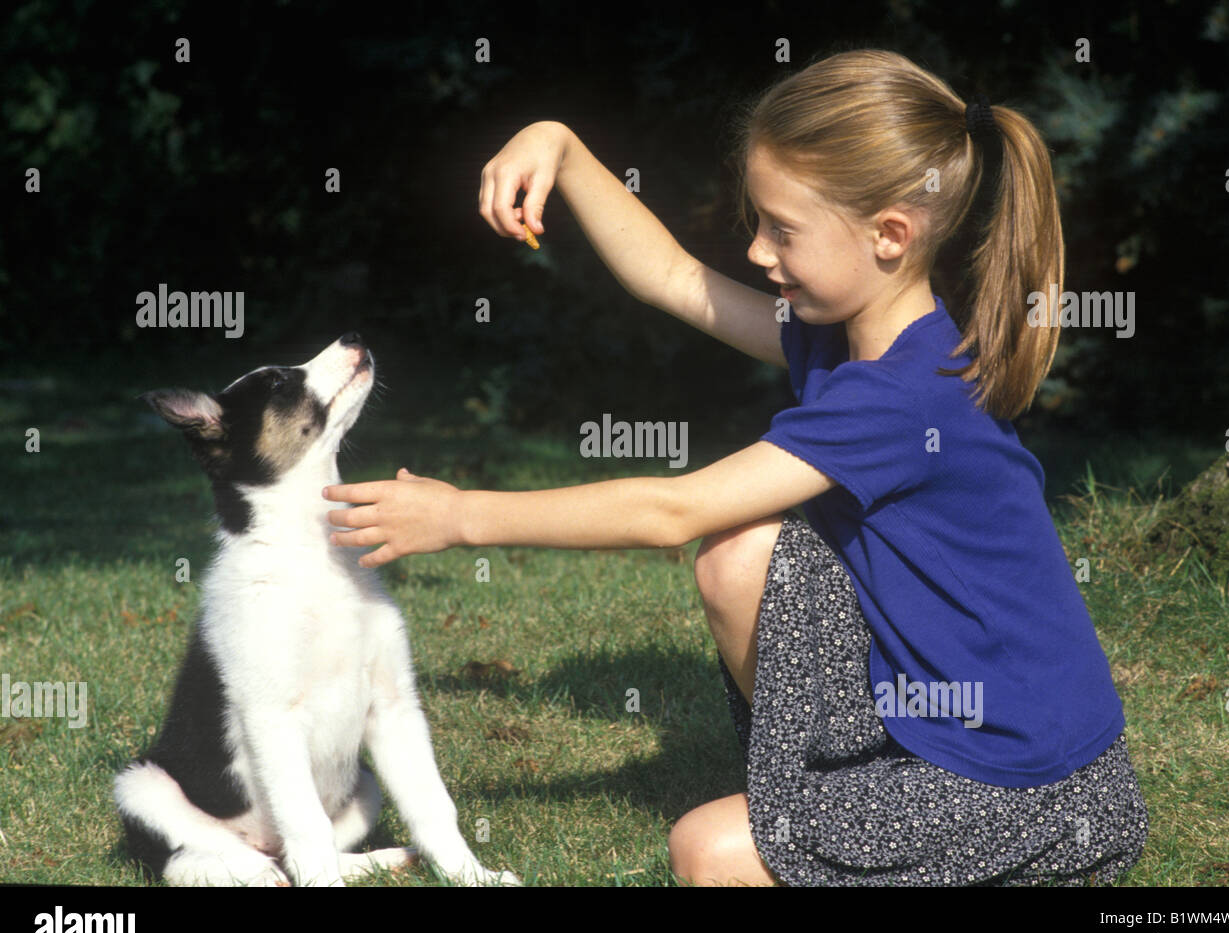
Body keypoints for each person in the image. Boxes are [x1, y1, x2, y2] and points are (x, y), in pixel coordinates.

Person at [323, 49, 1149, 887]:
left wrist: (461, 517)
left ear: (890, 235)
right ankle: (838, 801)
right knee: (740, 554)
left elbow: (670, 510)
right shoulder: (853, 337)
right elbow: (677, 278)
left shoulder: (904, 398)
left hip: (1038, 789)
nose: (758, 250)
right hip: (955, 723)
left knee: (708, 852)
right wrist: (560, 146)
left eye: (783, 230)